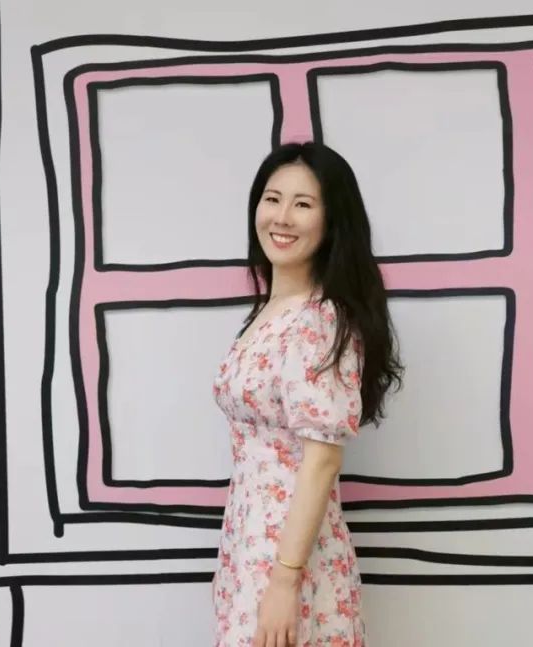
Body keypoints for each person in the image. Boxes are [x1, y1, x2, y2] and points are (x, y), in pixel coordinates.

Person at [211, 141, 404, 646]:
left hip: (291, 556)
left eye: (303, 204)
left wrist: (283, 581)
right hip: (249, 543)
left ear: (331, 221)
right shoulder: (268, 313)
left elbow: (322, 460)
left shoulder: (320, 320)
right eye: (272, 199)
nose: (282, 217)